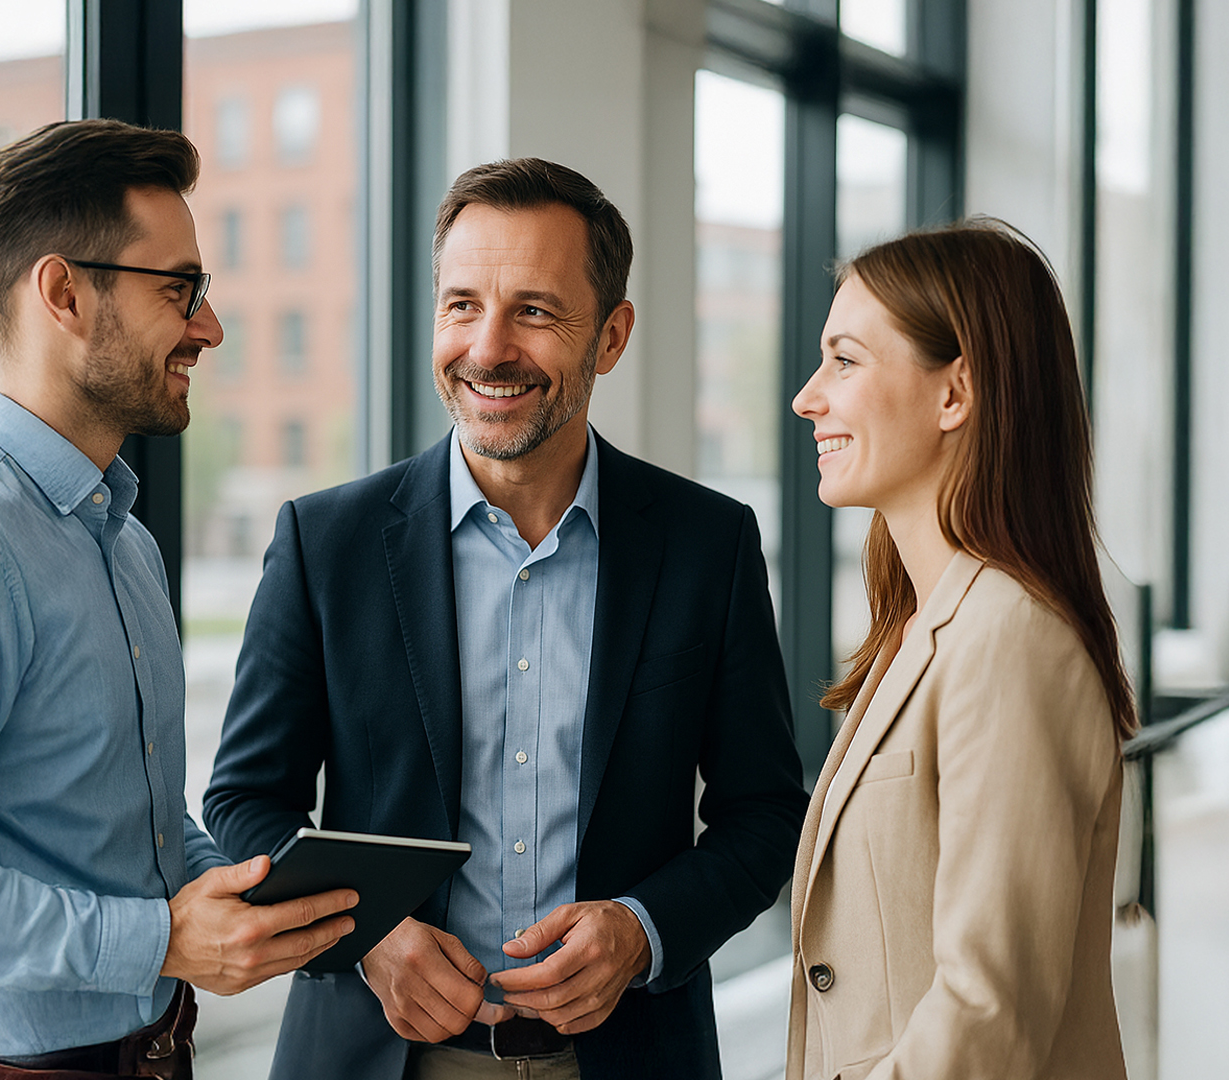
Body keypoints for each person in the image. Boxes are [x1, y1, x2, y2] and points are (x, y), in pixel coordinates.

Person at [204, 157, 809, 1080]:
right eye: (461, 305)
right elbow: (245, 801)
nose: (488, 348)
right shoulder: (325, 541)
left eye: (535, 310)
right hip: (376, 1053)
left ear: (611, 336)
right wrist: (367, 936)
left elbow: (763, 816)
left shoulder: (707, 545)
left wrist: (642, 932)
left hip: (627, 1056)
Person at [0, 119, 358, 1080]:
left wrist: (228, 894)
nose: (210, 327)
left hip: (147, 1055)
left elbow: (122, 820)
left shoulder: (122, 541)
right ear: (62, 292)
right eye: (178, 289)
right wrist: (157, 942)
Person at [784, 219, 1136, 1080]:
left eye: (845, 360)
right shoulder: (923, 625)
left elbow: (988, 1014)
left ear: (955, 393)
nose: (806, 397)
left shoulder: (1010, 641)